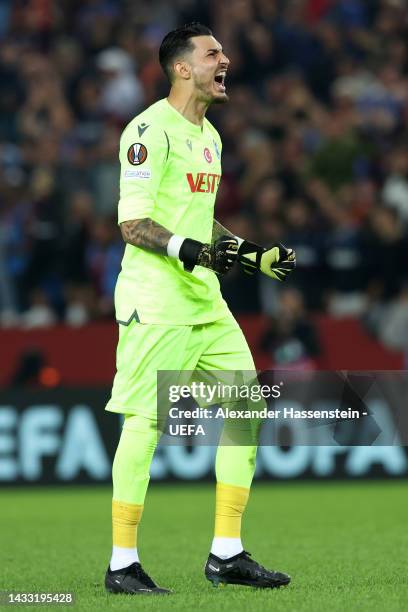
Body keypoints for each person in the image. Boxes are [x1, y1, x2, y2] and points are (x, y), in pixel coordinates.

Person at [104, 22, 296, 595]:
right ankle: (121, 565)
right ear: (182, 67)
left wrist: (250, 255)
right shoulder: (146, 131)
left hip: (205, 303)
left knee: (245, 408)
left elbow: (198, 223)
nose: (226, 60)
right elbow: (133, 224)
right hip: (154, 302)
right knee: (145, 424)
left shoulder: (210, 137)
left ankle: (227, 552)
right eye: (213, 53)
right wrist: (193, 251)